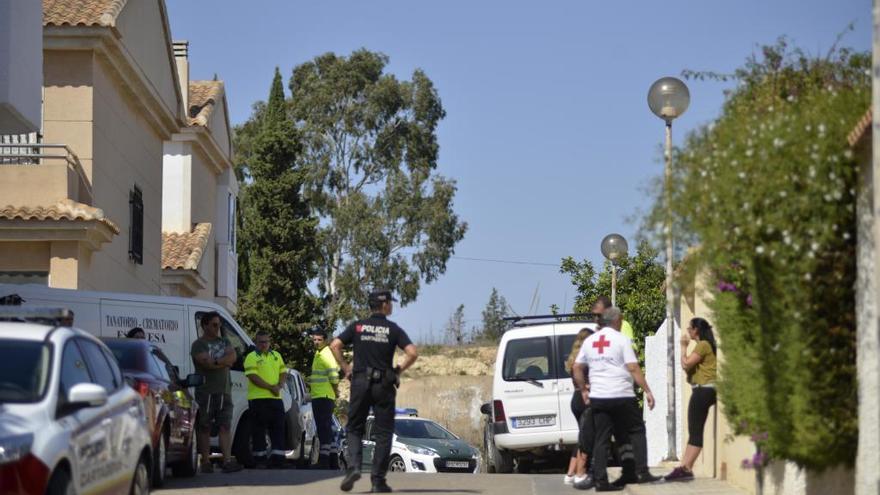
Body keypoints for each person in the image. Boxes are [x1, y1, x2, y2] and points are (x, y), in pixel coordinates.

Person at [331, 289, 419, 493]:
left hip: (360, 382)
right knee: (383, 433)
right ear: (385, 305)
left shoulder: (358, 326)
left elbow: (335, 345)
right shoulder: (393, 329)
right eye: (391, 302)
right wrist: (398, 370)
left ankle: (353, 466)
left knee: (354, 427)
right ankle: (378, 481)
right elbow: (412, 353)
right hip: (384, 385)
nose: (392, 306)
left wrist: (346, 369)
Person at [573, 307, 660, 491]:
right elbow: (633, 368)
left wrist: (583, 390)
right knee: (636, 430)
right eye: (620, 320)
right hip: (622, 395)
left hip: (599, 397)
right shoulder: (621, 340)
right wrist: (647, 391)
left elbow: (577, 367)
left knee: (602, 438)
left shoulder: (590, 341)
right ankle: (642, 471)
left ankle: (601, 481)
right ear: (617, 320)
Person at [664, 317, 718, 482]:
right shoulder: (703, 345)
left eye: (690, 328)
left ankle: (686, 468)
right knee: (694, 429)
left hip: (703, 390)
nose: (688, 330)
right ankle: (684, 466)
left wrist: (683, 348)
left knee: (695, 431)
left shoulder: (702, 345)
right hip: (704, 390)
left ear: (697, 330)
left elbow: (686, 364)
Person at [190, 311, 242, 473]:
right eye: (214, 324)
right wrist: (222, 362)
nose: (217, 327)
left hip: (224, 391)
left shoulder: (224, 341)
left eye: (218, 324)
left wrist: (218, 361)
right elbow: (206, 363)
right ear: (205, 325)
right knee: (204, 426)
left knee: (225, 426)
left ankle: (227, 460)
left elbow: (232, 357)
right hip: (206, 391)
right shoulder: (199, 344)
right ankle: (205, 461)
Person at [243, 331, 288, 469]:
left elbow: (283, 372)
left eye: (266, 341)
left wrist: (279, 386)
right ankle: (260, 460)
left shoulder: (276, 355)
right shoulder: (251, 357)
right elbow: (253, 376)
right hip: (258, 399)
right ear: (256, 343)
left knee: (278, 429)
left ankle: (278, 460)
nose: (264, 344)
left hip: (275, 398)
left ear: (270, 342)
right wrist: (270, 387)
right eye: (261, 342)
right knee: (259, 430)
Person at [563, 327, 595, 490]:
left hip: (575, 399)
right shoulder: (584, 360)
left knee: (582, 436)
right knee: (586, 437)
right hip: (584, 399)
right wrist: (587, 386)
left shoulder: (573, 358)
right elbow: (584, 379)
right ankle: (579, 473)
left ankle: (570, 473)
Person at [308, 326, 341, 469]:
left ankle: (324, 460)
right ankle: (333, 460)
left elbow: (334, 375)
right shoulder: (319, 353)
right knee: (327, 428)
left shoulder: (326, 354)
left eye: (319, 340)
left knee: (323, 428)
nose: (316, 342)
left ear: (325, 340)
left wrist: (335, 391)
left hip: (323, 396)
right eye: (314, 339)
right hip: (321, 396)